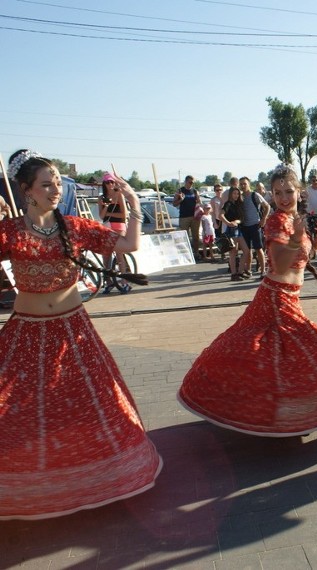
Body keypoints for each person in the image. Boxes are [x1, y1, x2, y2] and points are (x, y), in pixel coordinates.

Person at [0, 150, 160, 520]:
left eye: (57, 182)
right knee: (20, 413)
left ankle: (97, 479)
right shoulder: (9, 232)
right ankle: (31, 487)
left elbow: (129, 246)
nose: (56, 189)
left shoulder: (73, 226)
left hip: (74, 333)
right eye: (47, 184)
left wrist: (133, 202)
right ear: (27, 191)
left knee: (95, 406)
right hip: (26, 335)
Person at [179, 165, 317, 435]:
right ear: (271, 194)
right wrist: (295, 239)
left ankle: (283, 414)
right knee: (302, 351)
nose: (283, 197)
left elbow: (301, 257)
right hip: (275, 299)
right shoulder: (276, 221)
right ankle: (272, 413)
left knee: (278, 358)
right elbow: (281, 265)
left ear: (299, 191)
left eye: (289, 191)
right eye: (278, 192)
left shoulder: (295, 219)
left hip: (288, 299)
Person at [98, 172, 132, 294]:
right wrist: (106, 206)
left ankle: (125, 282)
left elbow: (124, 215)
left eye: (112, 181)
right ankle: (108, 282)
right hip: (107, 226)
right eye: (107, 182)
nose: (110, 184)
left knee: (119, 255)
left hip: (119, 226)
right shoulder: (102, 198)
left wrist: (109, 213)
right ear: (104, 184)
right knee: (105, 255)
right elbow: (101, 215)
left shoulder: (119, 195)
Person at [238, 176, 270, 279]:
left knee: (258, 248)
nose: (243, 186)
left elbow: (267, 206)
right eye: (241, 184)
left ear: (249, 184)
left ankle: (263, 271)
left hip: (255, 225)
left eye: (245, 184)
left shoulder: (254, 195)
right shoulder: (240, 197)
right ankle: (248, 270)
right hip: (244, 226)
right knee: (247, 250)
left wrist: (263, 219)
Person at [220, 186, 249, 281]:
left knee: (246, 251)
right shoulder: (228, 203)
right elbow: (220, 215)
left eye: (237, 194)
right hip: (232, 230)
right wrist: (228, 223)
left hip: (238, 229)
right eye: (234, 193)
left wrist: (237, 221)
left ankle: (240, 271)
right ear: (230, 194)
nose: (236, 195)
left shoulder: (238, 204)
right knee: (233, 252)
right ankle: (234, 274)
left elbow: (241, 219)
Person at [173, 175, 201, 261]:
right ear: (186, 181)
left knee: (195, 237)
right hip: (184, 217)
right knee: (185, 237)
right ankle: (186, 255)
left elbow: (199, 203)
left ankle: (196, 253)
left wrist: (198, 199)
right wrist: (181, 199)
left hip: (194, 217)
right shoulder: (180, 191)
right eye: (190, 182)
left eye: (193, 182)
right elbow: (174, 203)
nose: (191, 184)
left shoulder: (194, 191)